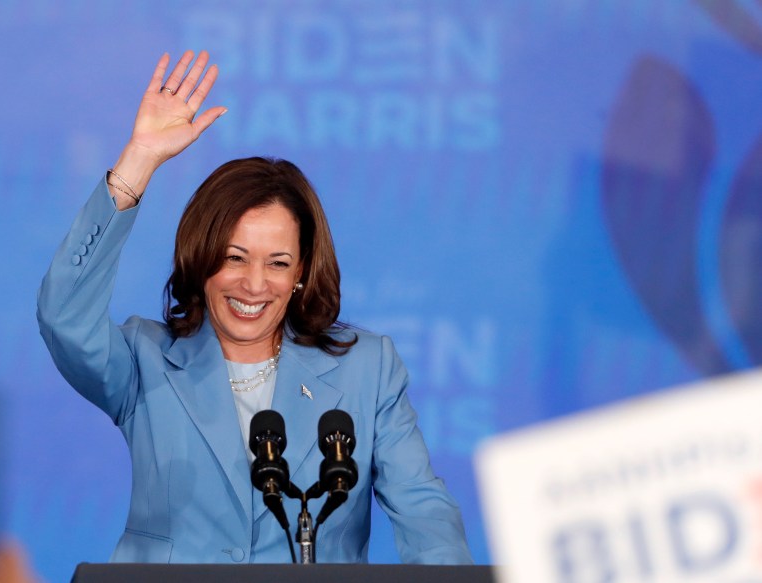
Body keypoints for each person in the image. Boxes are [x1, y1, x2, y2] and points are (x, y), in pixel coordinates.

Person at [37, 50, 472, 565]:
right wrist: (138, 162)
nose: (254, 284)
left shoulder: (366, 370)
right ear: (202, 258)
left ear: (302, 272)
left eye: (278, 263)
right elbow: (64, 317)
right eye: (234, 258)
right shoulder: (145, 360)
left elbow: (422, 509)